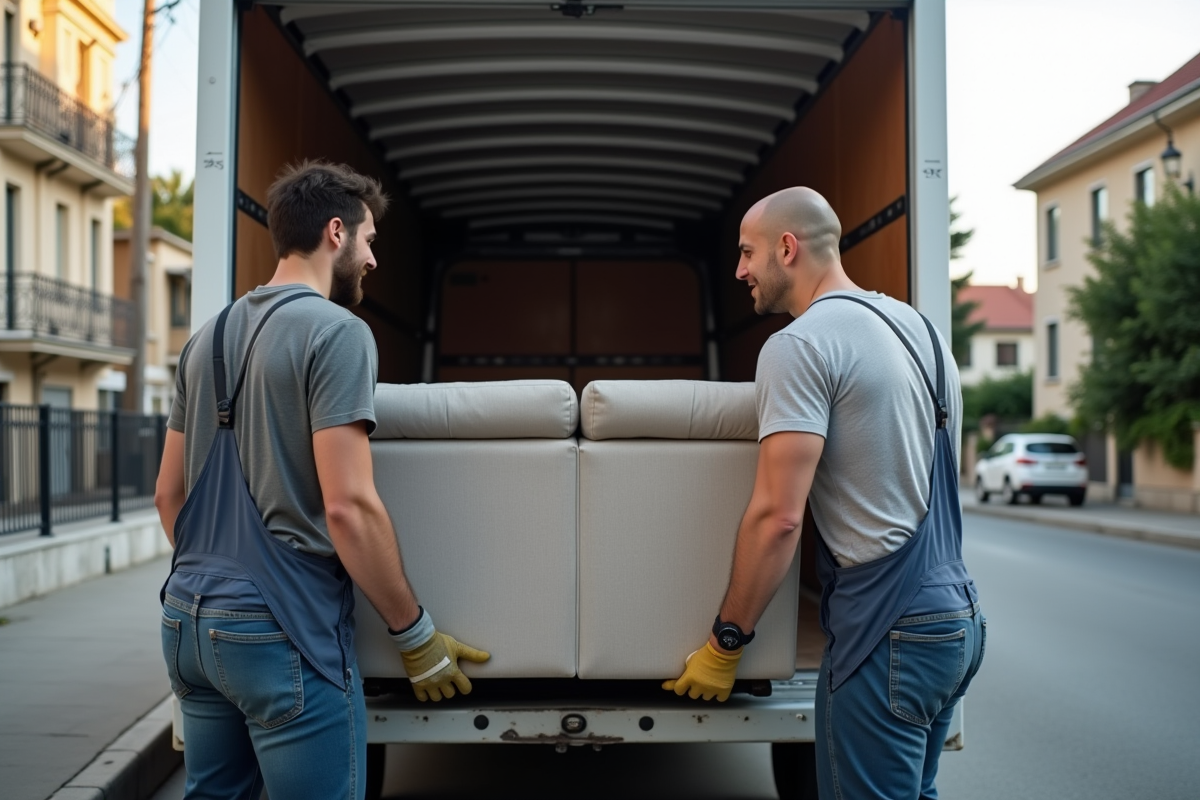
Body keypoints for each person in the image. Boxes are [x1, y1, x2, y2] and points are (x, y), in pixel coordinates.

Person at [154, 161, 488, 800]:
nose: (373, 260)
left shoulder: (204, 340)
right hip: (281, 630)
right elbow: (349, 508)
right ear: (336, 232)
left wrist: (223, 587)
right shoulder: (337, 333)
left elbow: (168, 495)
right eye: (369, 240)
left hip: (186, 622)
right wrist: (416, 637)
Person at [664, 187, 985, 799]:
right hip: (957, 620)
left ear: (787, 248)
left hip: (885, 630)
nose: (739, 271)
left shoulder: (801, 344)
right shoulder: (921, 330)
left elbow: (778, 517)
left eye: (747, 253)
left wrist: (726, 642)